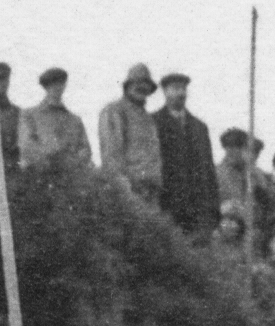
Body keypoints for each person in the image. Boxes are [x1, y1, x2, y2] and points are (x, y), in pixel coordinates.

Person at [152, 71, 220, 237]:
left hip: (197, 211)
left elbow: (209, 171)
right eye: (175, 88)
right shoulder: (153, 123)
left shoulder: (199, 127)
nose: (180, 93)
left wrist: (213, 209)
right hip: (167, 207)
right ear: (165, 92)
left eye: (183, 89)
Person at [97, 63, 162, 203]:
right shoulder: (115, 111)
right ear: (127, 86)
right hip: (128, 192)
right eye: (137, 83)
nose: (142, 87)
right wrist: (124, 190)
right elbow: (111, 156)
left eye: (146, 84)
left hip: (151, 193)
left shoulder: (148, 119)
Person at [20, 68, 93, 169]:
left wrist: (73, 161)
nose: (57, 87)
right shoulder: (30, 115)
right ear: (46, 87)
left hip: (71, 175)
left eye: (61, 83)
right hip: (41, 175)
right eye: (52, 84)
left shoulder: (75, 120)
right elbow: (27, 147)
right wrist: (50, 158)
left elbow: (85, 150)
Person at [216, 128, 264, 226]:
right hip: (224, 229)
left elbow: (265, 205)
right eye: (228, 146)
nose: (233, 151)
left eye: (238, 146)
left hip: (252, 230)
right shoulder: (215, 174)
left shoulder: (256, 175)